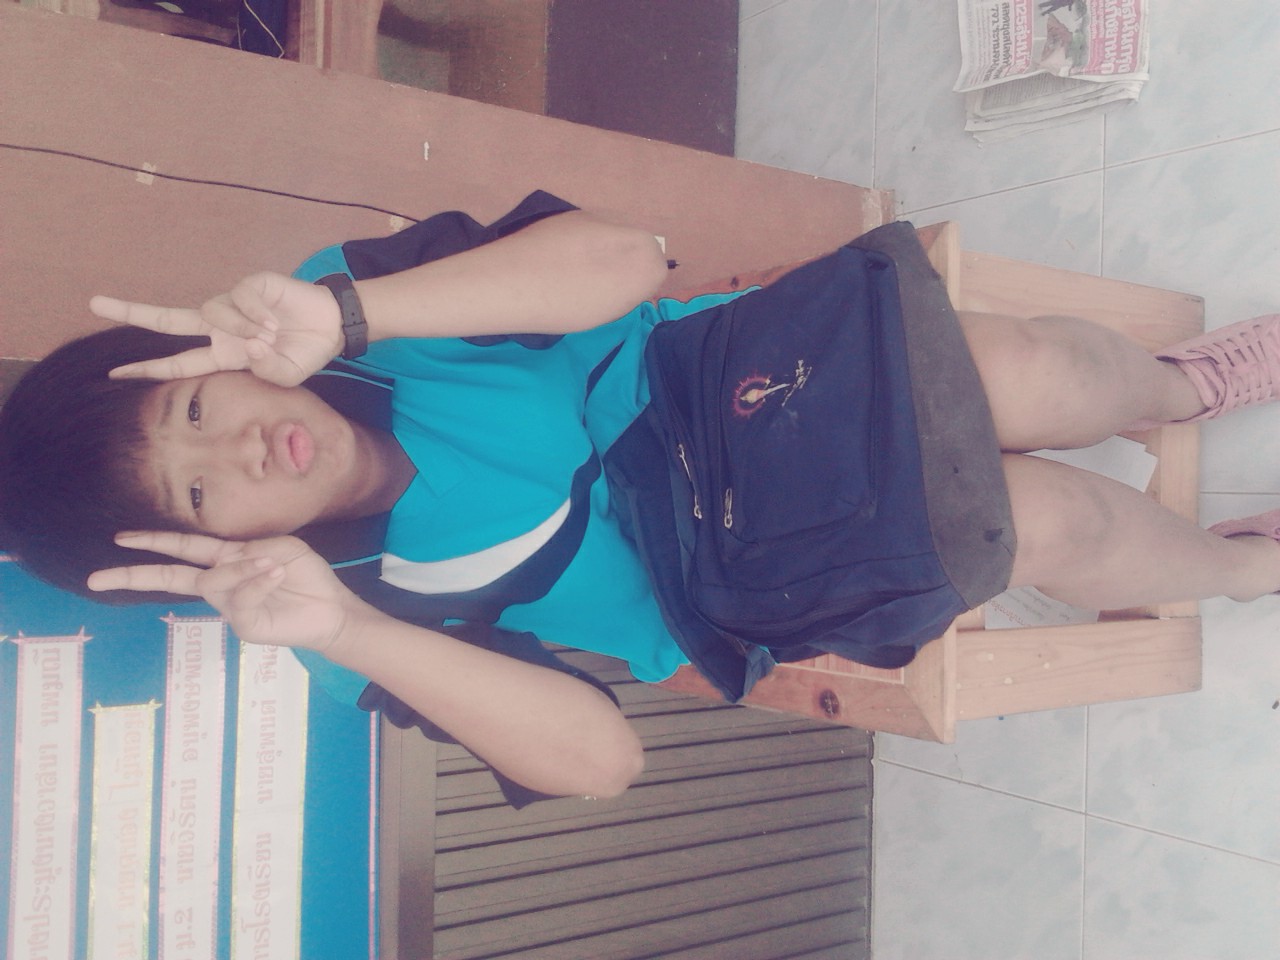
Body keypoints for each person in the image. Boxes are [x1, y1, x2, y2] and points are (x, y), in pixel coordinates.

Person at [3, 192, 1279, 804]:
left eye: (193, 410)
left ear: (209, 360)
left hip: (713, 377)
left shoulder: (335, 307)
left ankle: (1180, 386)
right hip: (733, 563)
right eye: (198, 494)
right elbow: (600, 760)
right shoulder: (336, 623)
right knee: (1046, 520)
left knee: (1040, 372)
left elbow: (631, 257)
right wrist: (345, 629)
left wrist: (351, 308)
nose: (243, 451)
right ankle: (1238, 568)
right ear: (206, 550)